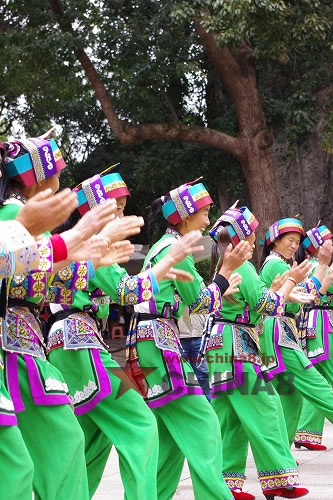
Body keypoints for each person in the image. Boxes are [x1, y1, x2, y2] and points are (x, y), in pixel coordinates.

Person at [45, 169, 203, 500]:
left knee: (92, 438)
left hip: (70, 341)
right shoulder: (94, 247)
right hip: (80, 341)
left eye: (121, 208)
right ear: (92, 212)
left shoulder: (84, 247)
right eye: (115, 209)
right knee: (141, 426)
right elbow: (129, 292)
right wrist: (167, 264)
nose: (121, 215)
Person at [0, 132, 117, 499]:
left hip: (34, 337)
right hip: (28, 339)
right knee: (59, 447)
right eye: (57, 172)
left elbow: (52, 278)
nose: (61, 181)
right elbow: (29, 272)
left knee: (45, 454)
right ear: (39, 174)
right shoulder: (14, 215)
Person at [128, 180, 253, 500]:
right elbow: (199, 301)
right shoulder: (176, 250)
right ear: (185, 216)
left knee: (171, 438)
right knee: (205, 424)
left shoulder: (163, 246)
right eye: (205, 213)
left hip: (154, 340)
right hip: (160, 342)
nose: (209, 220)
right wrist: (226, 274)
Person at [203, 203, 312, 500]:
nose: (254, 242)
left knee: (232, 417)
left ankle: (228, 481)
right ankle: (279, 477)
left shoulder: (228, 264)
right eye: (251, 236)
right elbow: (270, 305)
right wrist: (290, 282)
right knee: (266, 407)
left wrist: (286, 287)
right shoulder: (242, 266)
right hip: (236, 343)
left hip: (221, 344)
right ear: (241, 237)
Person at [259, 218, 333, 449]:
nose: (294, 246)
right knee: (316, 384)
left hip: (281, 329)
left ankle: (281, 457)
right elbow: (310, 292)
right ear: (275, 241)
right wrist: (322, 264)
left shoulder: (280, 264)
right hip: (279, 331)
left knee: (290, 396)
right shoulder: (276, 265)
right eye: (290, 241)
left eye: (297, 242)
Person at [293, 224, 333, 451]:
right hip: (324, 323)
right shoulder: (321, 267)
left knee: (318, 380)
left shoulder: (311, 266)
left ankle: (307, 431)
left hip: (315, 323)